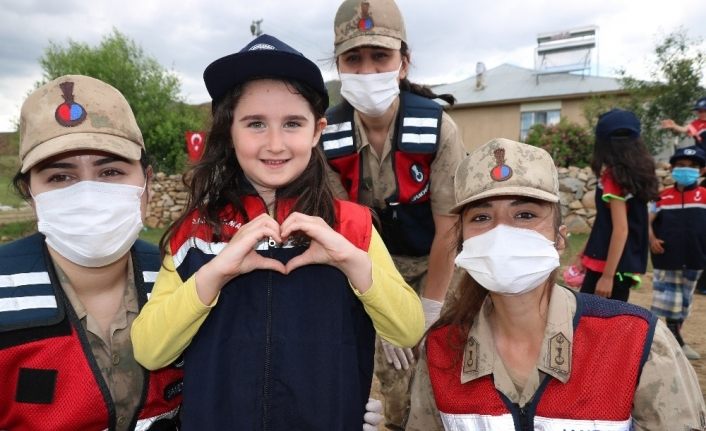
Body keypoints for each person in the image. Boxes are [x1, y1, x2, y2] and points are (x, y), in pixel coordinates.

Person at [130, 34, 424, 430]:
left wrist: (355, 263)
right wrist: (216, 272)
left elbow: (407, 329)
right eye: (254, 124)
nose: (274, 144)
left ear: (317, 131)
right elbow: (149, 350)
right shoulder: (196, 233)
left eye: (292, 124)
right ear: (229, 132)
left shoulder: (353, 227)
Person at [406, 138, 706, 430]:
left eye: (525, 214)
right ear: (463, 243)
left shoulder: (637, 341)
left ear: (560, 239)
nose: (502, 232)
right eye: (482, 217)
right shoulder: (441, 350)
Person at [0, 75, 182, 430]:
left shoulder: (181, 282)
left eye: (111, 171)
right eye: (60, 178)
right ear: (30, 193)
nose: (88, 195)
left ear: (146, 183)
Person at [322, 0, 467, 427]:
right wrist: (384, 308)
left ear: (403, 63)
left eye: (380, 57)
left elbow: (449, 229)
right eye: (353, 59)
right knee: (398, 381)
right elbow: (343, 231)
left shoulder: (438, 127)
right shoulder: (327, 137)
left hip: (437, 267)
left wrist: (429, 308)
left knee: (449, 367)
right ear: (339, 66)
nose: (367, 71)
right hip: (373, 268)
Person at [579, 109, 660, 301]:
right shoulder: (638, 175)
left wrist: (607, 277)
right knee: (614, 320)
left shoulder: (613, 177)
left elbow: (621, 229)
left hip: (608, 265)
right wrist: (583, 252)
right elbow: (604, 222)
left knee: (587, 318)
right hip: (625, 263)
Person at [649, 145, 706, 360]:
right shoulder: (662, 197)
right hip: (667, 257)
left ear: (701, 171)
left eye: (692, 166)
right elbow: (648, 222)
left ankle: (673, 336)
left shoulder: (704, 196)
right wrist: (652, 239)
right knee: (669, 300)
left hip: (696, 257)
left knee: (684, 301)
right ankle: (676, 343)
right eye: (681, 166)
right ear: (672, 169)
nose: (686, 170)